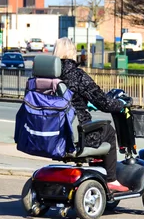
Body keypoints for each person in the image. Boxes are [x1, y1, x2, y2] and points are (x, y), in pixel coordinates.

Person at [53, 37, 129, 192]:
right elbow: (104, 103)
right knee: (108, 131)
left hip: (52, 134)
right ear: (72, 53)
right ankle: (111, 179)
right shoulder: (76, 75)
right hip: (76, 134)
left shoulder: (45, 76)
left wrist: (83, 103)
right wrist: (122, 104)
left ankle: (97, 171)